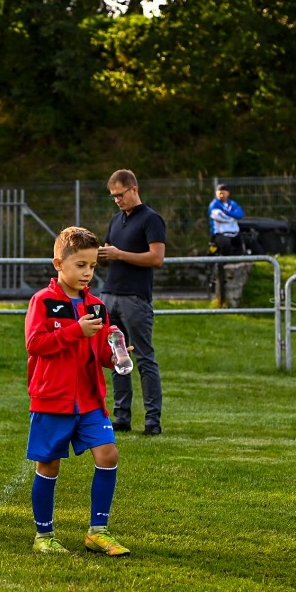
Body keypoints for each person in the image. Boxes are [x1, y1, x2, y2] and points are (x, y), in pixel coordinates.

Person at [25, 226, 129, 556]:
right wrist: (75, 330)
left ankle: (98, 531)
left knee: (108, 453)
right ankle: (44, 535)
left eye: (92, 266)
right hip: (52, 398)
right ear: (59, 263)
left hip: (89, 399)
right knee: (49, 465)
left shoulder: (97, 305)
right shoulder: (42, 301)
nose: (87, 273)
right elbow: (35, 344)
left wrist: (117, 355)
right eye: (80, 265)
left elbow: (98, 352)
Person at [99, 169, 167, 435]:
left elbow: (156, 258)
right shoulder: (116, 220)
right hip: (110, 295)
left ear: (134, 189)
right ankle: (122, 416)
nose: (117, 200)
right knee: (118, 357)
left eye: (120, 195)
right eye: (113, 196)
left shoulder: (151, 219)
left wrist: (119, 255)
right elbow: (109, 253)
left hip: (135, 299)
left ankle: (152, 420)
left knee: (145, 359)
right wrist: (101, 254)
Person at [207, 182, 250, 307]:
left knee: (243, 242)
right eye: (219, 192)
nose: (222, 194)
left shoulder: (232, 204)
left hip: (234, 232)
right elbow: (219, 216)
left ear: (228, 193)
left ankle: (238, 262)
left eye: (224, 191)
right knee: (225, 244)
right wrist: (231, 217)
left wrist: (229, 215)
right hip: (219, 234)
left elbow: (240, 214)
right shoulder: (214, 205)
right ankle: (224, 264)